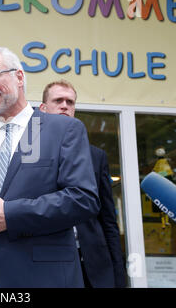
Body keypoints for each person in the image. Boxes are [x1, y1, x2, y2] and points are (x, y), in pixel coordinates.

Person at [0, 47, 99, 287]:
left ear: (20, 77)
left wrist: (11, 215)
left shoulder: (64, 130)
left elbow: (83, 199)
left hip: (47, 280)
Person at [39, 79, 126, 288]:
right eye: (58, 100)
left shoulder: (96, 156)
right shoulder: (28, 154)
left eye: (70, 102)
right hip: (46, 261)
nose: (64, 106)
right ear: (42, 108)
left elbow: (107, 219)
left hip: (92, 265)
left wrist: (118, 274)